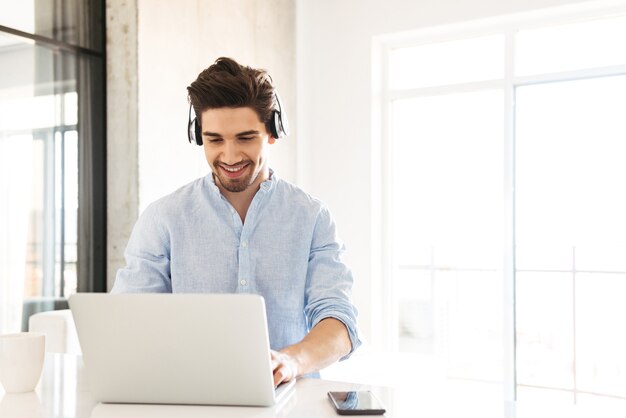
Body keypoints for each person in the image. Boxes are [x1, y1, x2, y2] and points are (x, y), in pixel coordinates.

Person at [112, 57, 361, 386]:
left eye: (245, 138)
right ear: (199, 136)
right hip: (191, 397)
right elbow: (127, 322)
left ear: (272, 132)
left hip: (288, 400)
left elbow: (339, 321)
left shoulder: (312, 217)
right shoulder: (163, 219)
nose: (229, 156)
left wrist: (290, 360)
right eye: (215, 140)